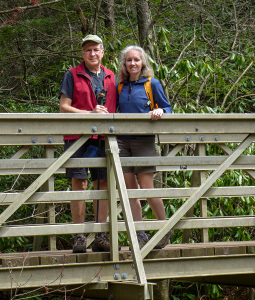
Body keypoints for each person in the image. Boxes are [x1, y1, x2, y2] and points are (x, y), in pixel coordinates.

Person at [59, 34, 118, 253]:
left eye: (96, 50)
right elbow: (64, 106)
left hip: (103, 138)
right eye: (87, 50)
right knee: (79, 184)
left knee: (102, 184)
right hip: (78, 137)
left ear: (103, 52)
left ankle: (101, 235)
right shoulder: (72, 74)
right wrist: (88, 114)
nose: (92, 54)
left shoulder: (112, 76)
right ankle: (80, 236)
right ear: (82, 54)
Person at [117, 45, 173, 249]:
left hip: (144, 140)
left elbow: (168, 107)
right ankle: (139, 234)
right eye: (129, 60)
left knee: (148, 188)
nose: (133, 63)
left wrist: (161, 112)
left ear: (143, 63)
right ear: (124, 64)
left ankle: (164, 228)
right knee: (130, 189)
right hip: (122, 141)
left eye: (136, 60)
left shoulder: (152, 83)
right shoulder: (120, 85)